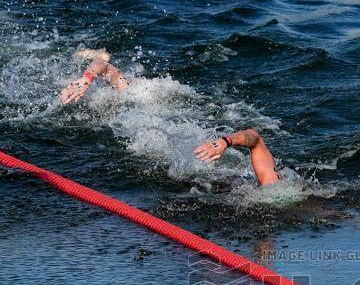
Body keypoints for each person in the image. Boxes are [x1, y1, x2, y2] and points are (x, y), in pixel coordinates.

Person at [59, 49, 281, 186]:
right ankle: (93, 68)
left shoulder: (265, 185)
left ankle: (97, 65)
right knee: (124, 90)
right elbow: (254, 137)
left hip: (183, 147)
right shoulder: (270, 182)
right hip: (158, 119)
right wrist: (223, 142)